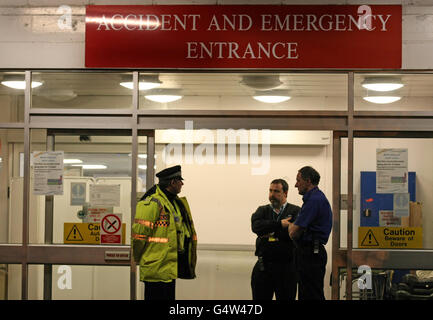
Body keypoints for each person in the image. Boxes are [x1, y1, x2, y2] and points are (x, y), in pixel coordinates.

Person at [132, 165, 197, 300]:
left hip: (169, 267)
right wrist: (138, 258)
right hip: (156, 268)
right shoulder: (152, 202)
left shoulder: (173, 202)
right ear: (172, 182)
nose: (182, 184)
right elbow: (139, 236)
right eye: (180, 181)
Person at [251, 179, 301, 300]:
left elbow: (293, 234)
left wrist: (268, 231)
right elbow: (256, 227)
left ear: (285, 193)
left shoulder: (295, 211)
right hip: (264, 267)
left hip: (286, 269)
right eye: (270, 191)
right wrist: (279, 224)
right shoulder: (262, 210)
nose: (272, 194)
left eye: (276, 191)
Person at [288, 166, 332, 300]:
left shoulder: (313, 201)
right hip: (311, 252)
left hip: (311, 254)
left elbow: (293, 233)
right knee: (308, 293)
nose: (296, 185)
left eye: (298, 180)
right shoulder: (316, 198)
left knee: (310, 295)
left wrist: (288, 225)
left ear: (308, 181)